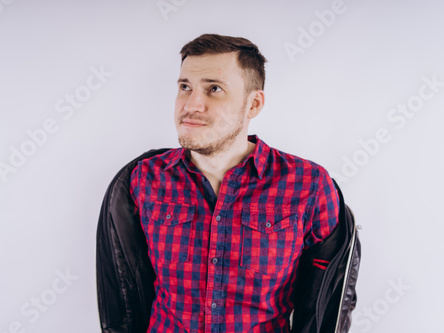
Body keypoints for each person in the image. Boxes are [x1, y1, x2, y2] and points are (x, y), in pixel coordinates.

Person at [127, 33, 341, 332]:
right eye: (185, 87)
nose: (192, 105)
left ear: (253, 104)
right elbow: (126, 284)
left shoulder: (309, 185)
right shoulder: (145, 178)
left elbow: (329, 298)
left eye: (214, 89)